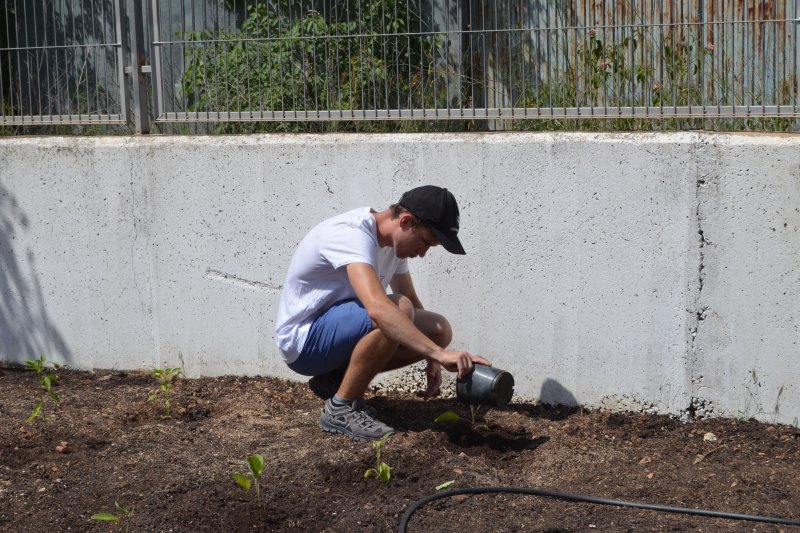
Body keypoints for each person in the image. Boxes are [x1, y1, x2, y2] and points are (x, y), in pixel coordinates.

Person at [275, 185, 491, 441]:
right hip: (304, 342)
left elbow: (409, 296)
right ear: (407, 221)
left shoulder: (392, 244)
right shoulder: (352, 234)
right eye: (425, 242)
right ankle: (340, 408)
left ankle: (335, 380)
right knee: (396, 310)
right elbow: (378, 309)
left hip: (335, 334)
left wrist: (432, 355)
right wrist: (439, 354)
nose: (422, 253)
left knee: (438, 328)